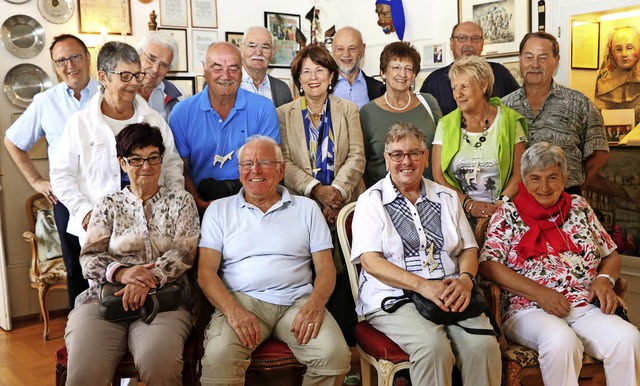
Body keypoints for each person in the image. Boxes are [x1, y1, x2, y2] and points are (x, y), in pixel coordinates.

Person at [351, 122, 501, 385]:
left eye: (413, 153)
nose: (405, 161)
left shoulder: (447, 197)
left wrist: (465, 280)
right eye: (397, 154)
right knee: (434, 348)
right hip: (394, 296)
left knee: (484, 346)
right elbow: (371, 262)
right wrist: (423, 286)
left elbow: (468, 248)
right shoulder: (371, 201)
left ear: (425, 158)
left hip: (450, 289)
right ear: (387, 160)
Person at [479, 142, 640, 386]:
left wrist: (604, 280)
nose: (544, 187)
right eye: (535, 178)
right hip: (527, 309)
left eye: (552, 177)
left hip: (583, 305)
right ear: (523, 180)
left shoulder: (579, 207)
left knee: (628, 338)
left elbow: (611, 255)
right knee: (561, 341)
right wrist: (541, 294)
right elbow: (488, 265)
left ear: (564, 178)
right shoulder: (507, 215)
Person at [197, 135, 351, 386]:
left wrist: (314, 305)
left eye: (264, 163)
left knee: (334, 356)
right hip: (241, 300)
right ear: (239, 172)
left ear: (280, 171)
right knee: (218, 359)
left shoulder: (307, 208)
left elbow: (325, 269)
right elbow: (205, 273)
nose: (254, 170)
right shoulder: (218, 210)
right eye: (247, 164)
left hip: (297, 303)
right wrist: (233, 312)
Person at [64, 123, 200, 385]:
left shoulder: (181, 201)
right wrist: (124, 273)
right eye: (136, 159)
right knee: (84, 375)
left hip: (165, 300)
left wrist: (145, 280)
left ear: (161, 160)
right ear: (122, 163)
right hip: (104, 300)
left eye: (153, 158)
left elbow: (184, 252)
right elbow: (89, 258)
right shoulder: (108, 204)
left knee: (159, 365)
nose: (146, 167)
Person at [51, 41, 184, 245]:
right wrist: (85, 212)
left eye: (137, 75)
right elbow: (61, 176)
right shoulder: (80, 124)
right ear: (103, 77)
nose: (134, 83)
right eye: (125, 76)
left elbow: (172, 166)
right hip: (99, 232)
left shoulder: (153, 119)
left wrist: (174, 208)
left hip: (152, 229)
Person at [4, 34, 98, 309]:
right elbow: (12, 141)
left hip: (106, 194)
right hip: (67, 200)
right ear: (55, 66)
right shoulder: (46, 102)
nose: (70, 65)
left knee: (114, 263)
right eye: (61, 61)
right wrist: (36, 181)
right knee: (76, 268)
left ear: (87, 58)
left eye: (75, 57)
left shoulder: (107, 93)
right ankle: (79, 334)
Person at [169, 42, 280, 215]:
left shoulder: (263, 108)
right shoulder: (182, 112)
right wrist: (198, 204)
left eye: (233, 68)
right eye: (217, 67)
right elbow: (177, 169)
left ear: (242, 71)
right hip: (198, 203)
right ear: (204, 70)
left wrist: (249, 206)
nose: (226, 75)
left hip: (252, 204)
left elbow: (270, 167)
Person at [502, 31, 609, 194]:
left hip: (566, 198)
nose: (535, 65)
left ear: (556, 60)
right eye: (528, 57)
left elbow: (599, 152)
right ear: (520, 60)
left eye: (543, 58)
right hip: (518, 201)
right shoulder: (504, 107)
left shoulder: (580, 104)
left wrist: (576, 185)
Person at [278, 43, 365, 226]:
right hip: (301, 205)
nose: (313, 77)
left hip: (346, 203)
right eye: (306, 71)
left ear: (331, 75)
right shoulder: (283, 114)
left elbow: (357, 156)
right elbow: (284, 162)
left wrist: (335, 193)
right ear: (298, 78)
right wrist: (317, 190)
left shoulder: (349, 109)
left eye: (319, 70)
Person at [432, 55, 528, 223]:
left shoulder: (510, 121)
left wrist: (499, 205)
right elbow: (438, 176)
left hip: (503, 212)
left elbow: (520, 173)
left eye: (464, 87)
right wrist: (468, 205)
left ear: (484, 86)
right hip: (458, 213)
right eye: (454, 88)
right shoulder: (445, 125)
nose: (458, 94)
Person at [360, 41, 442, 187]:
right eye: (396, 67)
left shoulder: (429, 103)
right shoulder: (367, 113)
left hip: (429, 194)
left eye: (408, 68)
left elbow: (443, 151)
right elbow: (361, 164)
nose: (402, 74)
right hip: (383, 199)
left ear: (414, 74)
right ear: (383, 72)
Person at [420, 21, 519, 116]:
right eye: (462, 38)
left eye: (475, 38)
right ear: (451, 43)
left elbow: (519, 105)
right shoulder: (434, 81)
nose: (469, 44)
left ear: (482, 43)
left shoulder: (499, 73)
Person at [331, 26, 385, 109]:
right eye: (340, 49)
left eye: (352, 48)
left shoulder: (379, 89)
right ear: (333, 50)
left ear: (363, 50)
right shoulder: (322, 87)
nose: (346, 54)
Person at [135, 31, 184, 121]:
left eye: (163, 65)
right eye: (151, 59)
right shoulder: (121, 89)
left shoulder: (178, 96)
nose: (155, 69)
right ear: (138, 55)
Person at [240, 26, 293, 107]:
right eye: (252, 46)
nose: (258, 52)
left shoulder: (283, 90)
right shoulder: (229, 85)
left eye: (265, 47)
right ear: (242, 48)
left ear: (272, 52)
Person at [595, 26, 640, 109]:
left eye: (630, 48)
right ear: (611, 52)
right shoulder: (604, 84)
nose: (624, 54)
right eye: (618, 49)